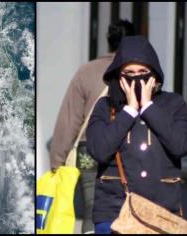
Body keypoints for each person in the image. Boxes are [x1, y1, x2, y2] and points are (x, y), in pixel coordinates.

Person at [86, 35, 187, 234]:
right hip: (114, 213)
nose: (136, 78)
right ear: (118, 77)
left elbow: (181, 144)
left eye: (143, 72)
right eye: (129, 73)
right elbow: (99, 150)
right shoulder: (105, 107)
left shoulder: (174, 104)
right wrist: (129, 111)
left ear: (154, 75)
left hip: (161, 215)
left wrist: (147, 107)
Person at [49, 20, 135, 234]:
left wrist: (57, 161)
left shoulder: (86, 72)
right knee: (126, 208)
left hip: (89, 150)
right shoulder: (136, 73)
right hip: (125, 150)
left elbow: (70, 118)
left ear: (108, 41)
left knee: (92, 209)